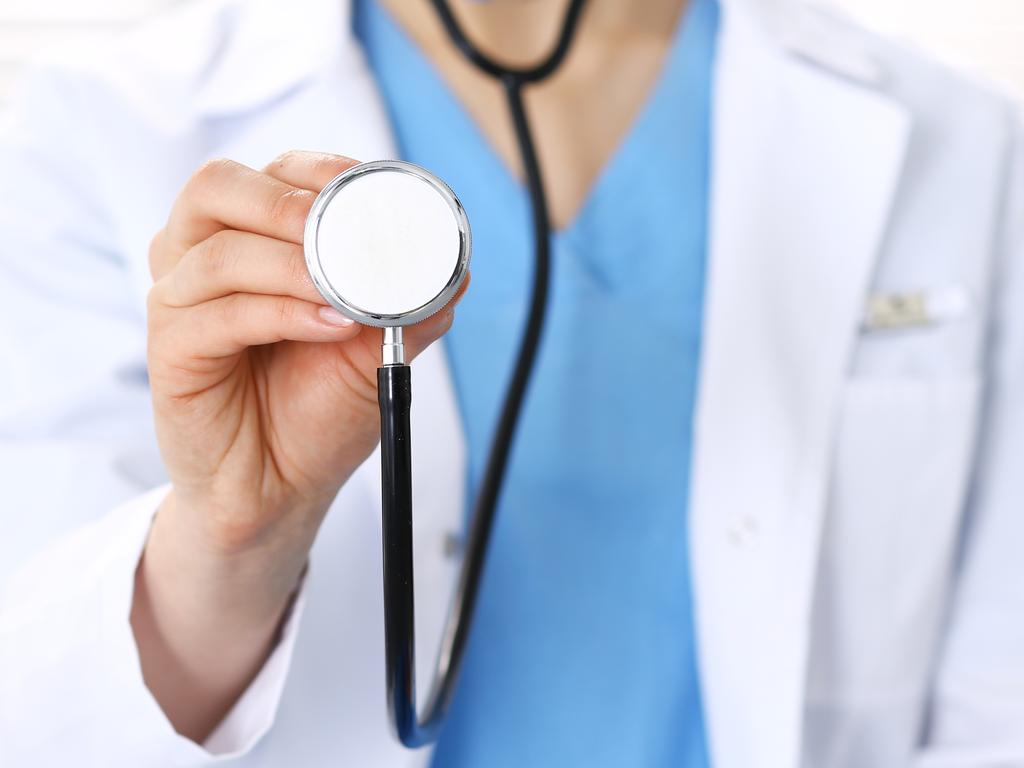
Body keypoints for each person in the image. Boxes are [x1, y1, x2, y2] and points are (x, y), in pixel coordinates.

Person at [1, 0, 1022, 765]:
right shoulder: (98, 130)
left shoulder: (958, 140)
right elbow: (53, 721)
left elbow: (997, 699)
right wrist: (235, 527)